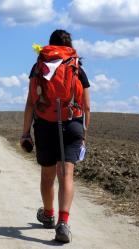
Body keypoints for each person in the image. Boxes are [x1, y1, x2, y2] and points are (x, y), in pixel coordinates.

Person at [21, 29, 90, 243]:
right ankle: (63, 222)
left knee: (48, 175)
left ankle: (49, 214)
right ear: (69, 45)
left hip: (46, 124)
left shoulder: (40, 66)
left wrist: (25, 133)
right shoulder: (77, 67)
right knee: (66, 175)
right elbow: (87, 106)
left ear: (49, 45)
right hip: (72, 124)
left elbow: (31, 102)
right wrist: (83, 133)